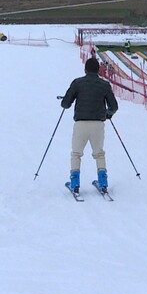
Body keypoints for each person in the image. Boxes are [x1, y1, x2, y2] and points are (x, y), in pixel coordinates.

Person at [60, 57, 118, 193]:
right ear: (98, 70)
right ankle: (103, 181)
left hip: (81, 123)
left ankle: (75, 183)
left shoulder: (78, 83)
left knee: (76, 153)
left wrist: (66, 100)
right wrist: (108, 114)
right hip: (98, 124)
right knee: (99, 153)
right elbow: (114, 106)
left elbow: (65, 104)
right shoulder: (104, 85)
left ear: (85, 69)